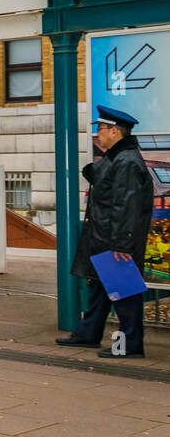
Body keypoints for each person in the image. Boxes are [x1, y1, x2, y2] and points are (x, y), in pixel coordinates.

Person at [57, 105, 155, 358]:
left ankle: (129, 346)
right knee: (99, 288)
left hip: (117, 242)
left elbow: (127, 206)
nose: (97, 134)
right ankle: (88, 334)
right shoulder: (117, 158)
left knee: (124, 294)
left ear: (115, 131)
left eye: (100, 129)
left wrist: (122, 244)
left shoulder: (127, 162)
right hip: (105, 239)